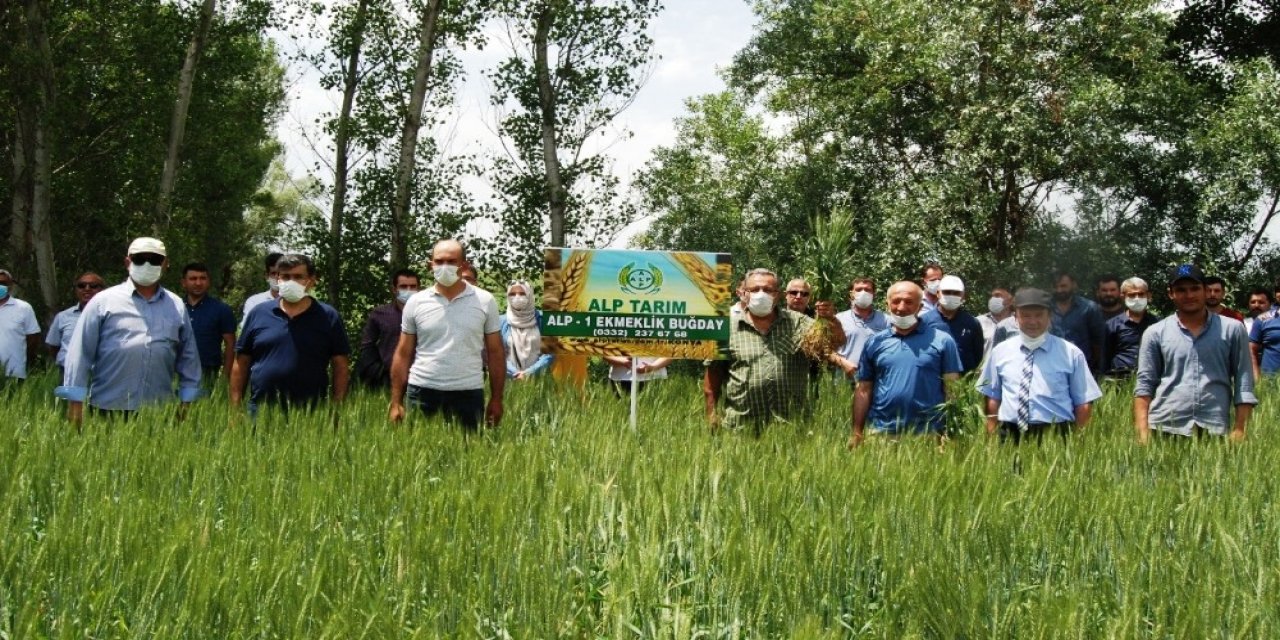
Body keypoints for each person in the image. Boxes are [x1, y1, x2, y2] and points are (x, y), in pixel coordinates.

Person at [56, 237, 202, 423]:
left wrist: (186, 403)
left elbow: (189, 359)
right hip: (107, 409)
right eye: (140, 259)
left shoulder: (176, 306)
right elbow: (80, 354)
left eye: (154, 259)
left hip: (159, 411)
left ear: (165, 264)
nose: (147, 264)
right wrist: (75, 403)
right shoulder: (103, 302)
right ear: (128, 262)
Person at [704, 268, 840, 432]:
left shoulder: (798, 323)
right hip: (739, 428)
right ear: (744, 293)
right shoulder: (726, 328)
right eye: (754, 290)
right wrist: (711, 414)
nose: (761, 294)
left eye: (768, 290)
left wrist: (830, 320)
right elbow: (713, 378)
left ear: (779, 294)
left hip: (792, 428)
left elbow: (834, 343)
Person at [388, 239, 505, 430]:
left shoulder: (485, 301)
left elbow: (495, 352)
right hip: (422, 392)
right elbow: (403, 353)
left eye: (451, 261)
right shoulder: (416, 302)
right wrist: (396, 402)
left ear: (464, 265)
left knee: (468, 456)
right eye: (439, 261)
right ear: (430, 265)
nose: (445, 266)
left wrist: (497, 399)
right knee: (418, 456)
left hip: (468, 393)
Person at [1135, 264, 1256, 443]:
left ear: (1206, 291)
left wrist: (1240, 429)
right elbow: (1144, 384)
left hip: (1214, 428)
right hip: (1165, 427)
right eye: (1181, 290)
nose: (1189, 295)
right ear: (1171, 294)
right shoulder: (1155, 332)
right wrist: (1142, 432)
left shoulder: (1232, 329)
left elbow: (1244, 382)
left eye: (1195, 289)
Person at [977, 288, 1102, 444]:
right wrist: (991, 438)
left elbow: (1083, 402)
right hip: (1009, 434)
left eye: (1039, 315)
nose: (1033, 322)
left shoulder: (1071, 353)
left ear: (1049, 317)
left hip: (1055, 435)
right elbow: (992, 397)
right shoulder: (1000, 352)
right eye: (1026, 316)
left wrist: (1078, 442)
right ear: (1016, 317)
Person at [231, 254, 350, 414]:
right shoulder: (259, 313)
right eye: (286, 276)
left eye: (298, 277)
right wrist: (235, 408)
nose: (291, 282)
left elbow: (340, 365)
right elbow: (241, 362)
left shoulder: (328, 316)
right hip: (261, 410)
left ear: (311, 280)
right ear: (278, 278)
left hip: (312, 413)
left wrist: (337, 409)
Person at [850, 281, 962, 446]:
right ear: (887, 304)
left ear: (920, 305)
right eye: (896, 301)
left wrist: (950, 432)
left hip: (928, 435)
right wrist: (857, 432)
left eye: (909, 302)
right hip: (881, 434)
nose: (901, 308)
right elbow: (864, 390)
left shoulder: (942, 341)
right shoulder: (874, 342)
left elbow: (952, 391)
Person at [356, 269, 420, 387]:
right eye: (403, 286)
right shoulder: (379, 314)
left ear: (418, 289)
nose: (409, 290)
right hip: (386, 379)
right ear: (394, 289)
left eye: (413, 286)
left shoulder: (427, 314)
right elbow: (367, 346)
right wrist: (376, 371)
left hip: (420, 378)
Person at [181, 263, 236, 381]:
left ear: (209, 282)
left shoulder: (221, 310)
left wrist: (225, 378)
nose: (198, 283)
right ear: (184, 282)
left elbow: (231, 344)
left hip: (208, 374)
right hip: (177, 372)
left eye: (203, 278)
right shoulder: (175, 308)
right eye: (193, 279)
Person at [920, 275, 984, 373]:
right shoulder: (924, 321)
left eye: (956, 293)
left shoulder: (972, 323)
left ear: (963, 296)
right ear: (938, 293)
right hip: (933, 380)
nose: (951, 296)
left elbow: (978, 355)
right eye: (947, 292)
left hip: (963, 383)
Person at [46, 272, 106, 370]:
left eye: (93, 286)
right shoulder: (63, 316)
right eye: (81, 286)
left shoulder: (111, 316)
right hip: (67, 373)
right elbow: (54, 347)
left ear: (103, 290)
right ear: (76, 290)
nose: (87, 289)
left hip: (101, 373)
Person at [830, 278, 888, 379]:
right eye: (859, 289)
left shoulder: (886, 320)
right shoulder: (838, 319)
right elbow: (826, 350)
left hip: (877, 379)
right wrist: (843, 363)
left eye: (867, 289)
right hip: (844, 379)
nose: (863, 293)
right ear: (851, 294)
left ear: (874, 294)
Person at [1051, 271, 1106, 375]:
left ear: (1074, 285)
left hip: (1083, 368)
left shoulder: (1089, 308)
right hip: (1052, 367)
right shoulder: (1045, 308)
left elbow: (1098, 342)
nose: (1059, 290)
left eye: (1063, 286)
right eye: (1056, 286)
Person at [1103, 277, 1159, 377]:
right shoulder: (1111, 326)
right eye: (1132, 295)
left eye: (1141, 294)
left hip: (1152, 379)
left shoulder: (1158, 324)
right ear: (1123, 297)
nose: (1137, 298)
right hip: (1119, 382)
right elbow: (1105, 357)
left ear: (1148, 295)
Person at [500, 280, 553, 380]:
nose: (517, 297)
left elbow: (550, 353)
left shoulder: (543, 320)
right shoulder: (501, 321)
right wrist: (515, 373)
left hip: (540, 380)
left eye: (522, 293)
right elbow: (497, 353)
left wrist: (529, 373)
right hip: (510, 380)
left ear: (530, 294)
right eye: (512, 294)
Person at [0, 269, 42, 382]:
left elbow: (33, 337)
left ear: (11, 285)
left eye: (3, 283)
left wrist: (25, 358)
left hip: (14, 373)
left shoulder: (23, 308)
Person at [1249, 279, 1280, 379]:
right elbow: (1251, 350)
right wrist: (1258, 382)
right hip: (1270, 386)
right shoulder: (1262, 319)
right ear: (1276, 295)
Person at [241, 252, 283, 318]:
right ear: (267, 276)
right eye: (273, 273)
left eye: (281, 273)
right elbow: (248, 327)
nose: (277, 277)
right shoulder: (254, 302)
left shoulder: (296, 302)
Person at [604, 356, 672, 396]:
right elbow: (604, 352)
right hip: (620, 379)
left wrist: (653, 367)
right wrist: (622, 361)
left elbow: (670, 352)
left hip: (655, 378)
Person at [978, 287, 1013, 354]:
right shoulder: (979, 322)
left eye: (997, 295)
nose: (993, 299)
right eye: (992, 296)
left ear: (1010, 301)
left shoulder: (1018, 323)